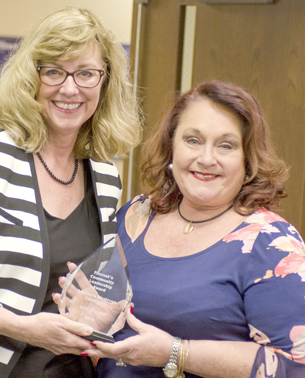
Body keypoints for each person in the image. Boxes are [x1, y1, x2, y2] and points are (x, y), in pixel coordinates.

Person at [0, 6, 141, 378]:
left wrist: (108, 310)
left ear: (105, 83)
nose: (70, 88)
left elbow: (93, 284)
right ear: (31, 79)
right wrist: (22, 326)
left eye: (86, 73)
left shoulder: (105, 177)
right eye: (54, 71)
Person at [81, 80, 305, 377]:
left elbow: (295, 365)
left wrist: (176, 352)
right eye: (193, 140)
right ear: (171, 147)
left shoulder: (271, 244)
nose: (206, 159)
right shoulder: (136, 216)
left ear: (247, 160)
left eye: (226, 145)